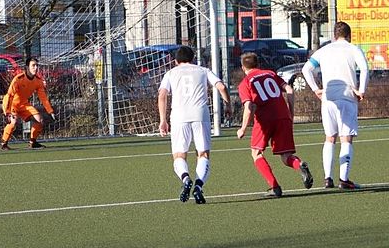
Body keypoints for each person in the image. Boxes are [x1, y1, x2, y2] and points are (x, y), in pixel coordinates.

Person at [158, 45, 232, 204]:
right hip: (200, 114)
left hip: (179, 115)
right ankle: (198, 186)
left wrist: (163, 120)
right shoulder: (203, 70)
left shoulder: (171, 73)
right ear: (193, 59)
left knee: (179, 155)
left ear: (176, 61)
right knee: (203, 153)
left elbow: (162, 95)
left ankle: (186, 179)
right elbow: (221, 86)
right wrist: (228, 105)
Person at [301, 21, 370, 189]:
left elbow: (306, 69)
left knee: (330, 137)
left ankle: (328, 178)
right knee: (346, 138)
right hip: (347, 96)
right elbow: (365, 69)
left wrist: (316, 89)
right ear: (349, 35)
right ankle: (344, 179)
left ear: (334, 35)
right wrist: (361, 90)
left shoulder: (324, 50)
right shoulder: (354, 49)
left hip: (328, 97)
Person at [236, 52, 314, 197]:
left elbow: (248, 107)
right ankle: (299, 165)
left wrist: (243, 128)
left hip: (265, 119)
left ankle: (275, 187)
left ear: (243, 67)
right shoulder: (271, 74)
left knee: (256, 153)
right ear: (258, 64)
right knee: (286, 156)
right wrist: (291, 113)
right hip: (283, 116)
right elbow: (289, 90)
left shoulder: (245, 83)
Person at [0, 57, 54, 150]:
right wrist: (8, 111)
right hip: (12, 103)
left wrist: (50, 111)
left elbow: (43, 98)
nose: (36, 68)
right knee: (13, 122)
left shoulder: (38, 81)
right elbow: (10, 95)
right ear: (27, 67)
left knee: (39, 120)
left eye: (37, 65)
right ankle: (4, 143)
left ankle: (33, 143)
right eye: (33, 65)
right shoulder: (18, 79)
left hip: (23, 104)